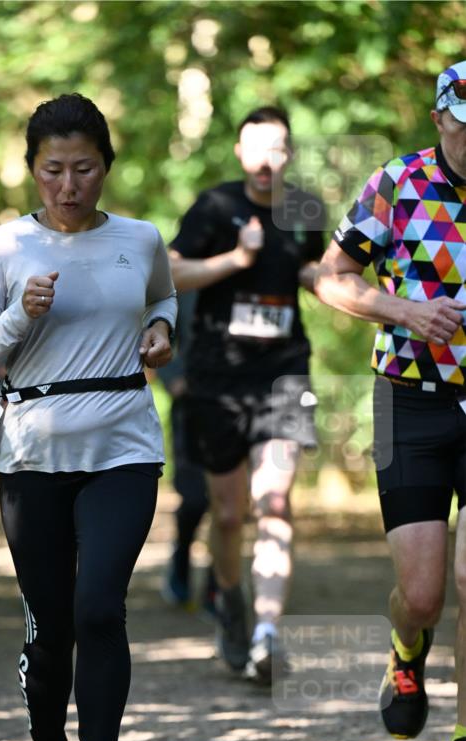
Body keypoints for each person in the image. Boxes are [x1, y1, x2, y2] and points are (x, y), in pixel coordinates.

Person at [0, 93, 176, 741]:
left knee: (97, 609)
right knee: (50, 624)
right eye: (53, 170)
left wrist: (160, 327)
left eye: (84, 167)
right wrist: (20, 314)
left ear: (106, 167)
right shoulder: (3, 247)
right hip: (32, 451)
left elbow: (164, 296)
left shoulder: (140, 238)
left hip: (123, 444)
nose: (69, 184)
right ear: (31, 171)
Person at [315, 62, 466, 741]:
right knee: (425, 590)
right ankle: (407, 648)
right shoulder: (397, 184)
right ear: (440, 120)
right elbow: (329, 276)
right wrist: (405, 312)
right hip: (407, 399)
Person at [169, 107, 325, 680]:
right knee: (230, 515)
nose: (267, 160)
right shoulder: (214, 206)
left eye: (278, 148)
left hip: (284, 371)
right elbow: (169, 273)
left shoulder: (306, 208)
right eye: (256, 148)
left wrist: (343, 287)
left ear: (288, 154)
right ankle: (230, 606)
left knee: (276, 502)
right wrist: (237, 258)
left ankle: (266, 634)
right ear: (240, 153)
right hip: (219, 379)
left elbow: (317, 269)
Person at [157, 290, 216, 615]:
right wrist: (173, 377)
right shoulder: (184, 276)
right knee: (194, 498)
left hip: (238, 404)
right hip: (191, 406)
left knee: (229, 505)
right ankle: (181, 558)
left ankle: (216, 587)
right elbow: (152, 324)